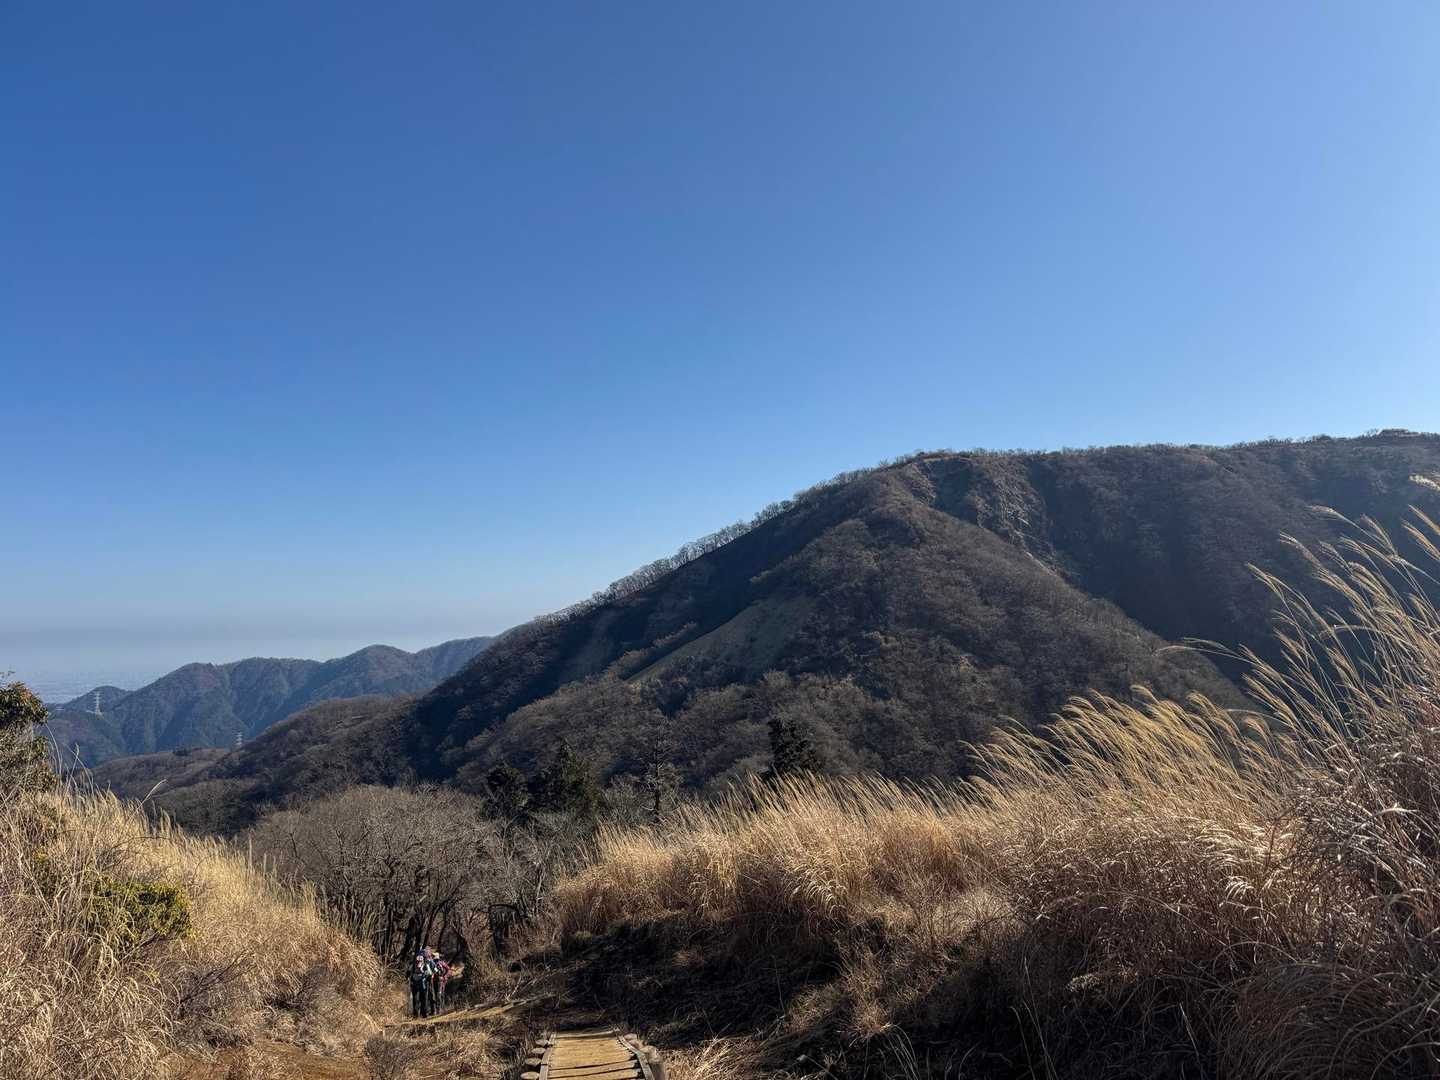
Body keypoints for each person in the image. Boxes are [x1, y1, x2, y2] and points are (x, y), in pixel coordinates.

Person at [408, 953, 433, 1019]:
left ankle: (415, 1014)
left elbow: (408, 973)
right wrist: (425, 974)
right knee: (423, 998)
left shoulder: (412, 965)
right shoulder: (426, 964)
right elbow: (430, 973)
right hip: (423, 982)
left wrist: (410, 980)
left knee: (415, 999)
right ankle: (424, 1014)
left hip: (414, 982)